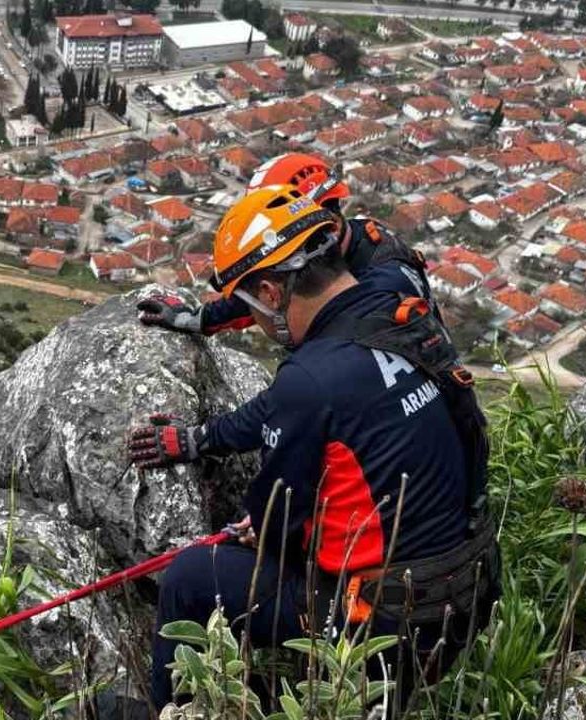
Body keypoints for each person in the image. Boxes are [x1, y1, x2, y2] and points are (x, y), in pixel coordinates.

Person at [129, 186, 499, 714]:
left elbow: (276, 523)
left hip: (384, 630)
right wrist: (200, 440)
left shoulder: (311, 379)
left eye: (253, 305)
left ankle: (171, 710)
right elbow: (302, 408)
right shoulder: (395, 305)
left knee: (190, 577)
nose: (256, 320)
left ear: (273, 295)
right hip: (465, 590)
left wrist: (258, 525)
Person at [137, 153, 432, 337]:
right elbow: (262, 293)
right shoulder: (335, 249)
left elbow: (325, 381)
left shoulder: (382, 285)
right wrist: (196, 318)